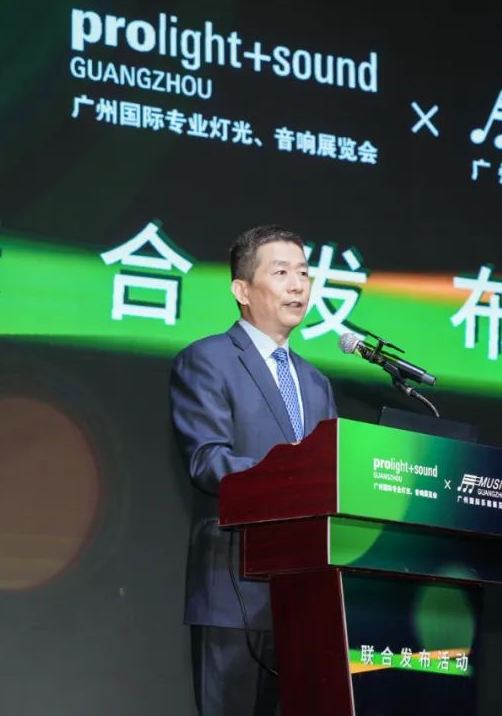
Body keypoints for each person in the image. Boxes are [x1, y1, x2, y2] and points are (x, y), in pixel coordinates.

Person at [169, 224, 338, 716]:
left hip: (305, 595)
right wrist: (295, 478)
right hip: (233, 588)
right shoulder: (207, 360)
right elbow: (207, 460)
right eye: (281, 273)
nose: (298, 285)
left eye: (303, 273)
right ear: (242, 290)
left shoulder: (316, 382)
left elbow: (331, 475)